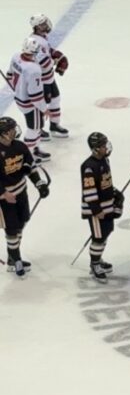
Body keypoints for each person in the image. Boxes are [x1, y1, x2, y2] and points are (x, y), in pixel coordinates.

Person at [0, 116, 49, 278]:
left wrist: (39, 184)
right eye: (11, 129)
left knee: (22, 221)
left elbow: (30, 167)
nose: (15, 130)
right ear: (3, 134)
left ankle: (13, 256)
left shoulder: (20, 146)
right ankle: (16, 259)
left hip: (21, 193)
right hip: (4, 199)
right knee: (12, 228)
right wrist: (4, 193)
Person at [82, 132, 121, 281]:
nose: (107, 147)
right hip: (96, 210)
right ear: (96, 148)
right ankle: (94, 264)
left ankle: (98, 258)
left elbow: (106, 182)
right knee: (98, 237)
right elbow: (89, 190)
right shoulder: (89, 167)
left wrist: (114, 193)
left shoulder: (105, 160)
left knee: (106, 231)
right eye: (103, 145)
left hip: (106, 206)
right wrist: (96, 210)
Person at [28, 14, 68, 139]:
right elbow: (44, 62)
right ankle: (38, 130)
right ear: (37, 27)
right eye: (43, 24)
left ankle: (54, 125)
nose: (46, 25)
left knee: (55, 99)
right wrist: (54, 61)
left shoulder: (42, 37)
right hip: (41, 80)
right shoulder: (34, 41)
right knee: (42, 105)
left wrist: (58, 55)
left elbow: (48, 51)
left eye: (46, 23)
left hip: (49, 77)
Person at [8, 37, 48, 161]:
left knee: (36, 126)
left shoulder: (16, 56)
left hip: (19, 98)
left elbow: (9, 74)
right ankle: (28, 155)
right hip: (30, 104)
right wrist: (44, 108)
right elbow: (35, 96)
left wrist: (19, 89)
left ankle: (35, 149)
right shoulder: (33, 69)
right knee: (34, 128)